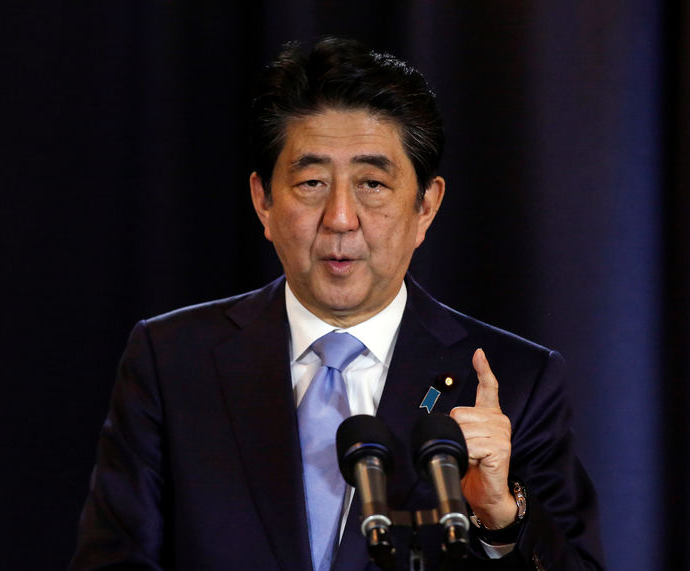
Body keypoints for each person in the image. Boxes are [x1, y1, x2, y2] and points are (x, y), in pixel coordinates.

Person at [70, 37, 605, 570]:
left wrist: (499, 517)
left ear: (425, 207)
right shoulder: (171, 359)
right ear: (264, 201)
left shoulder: (515, 381)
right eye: (311, 182)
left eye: (372, 183)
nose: (341, 218)